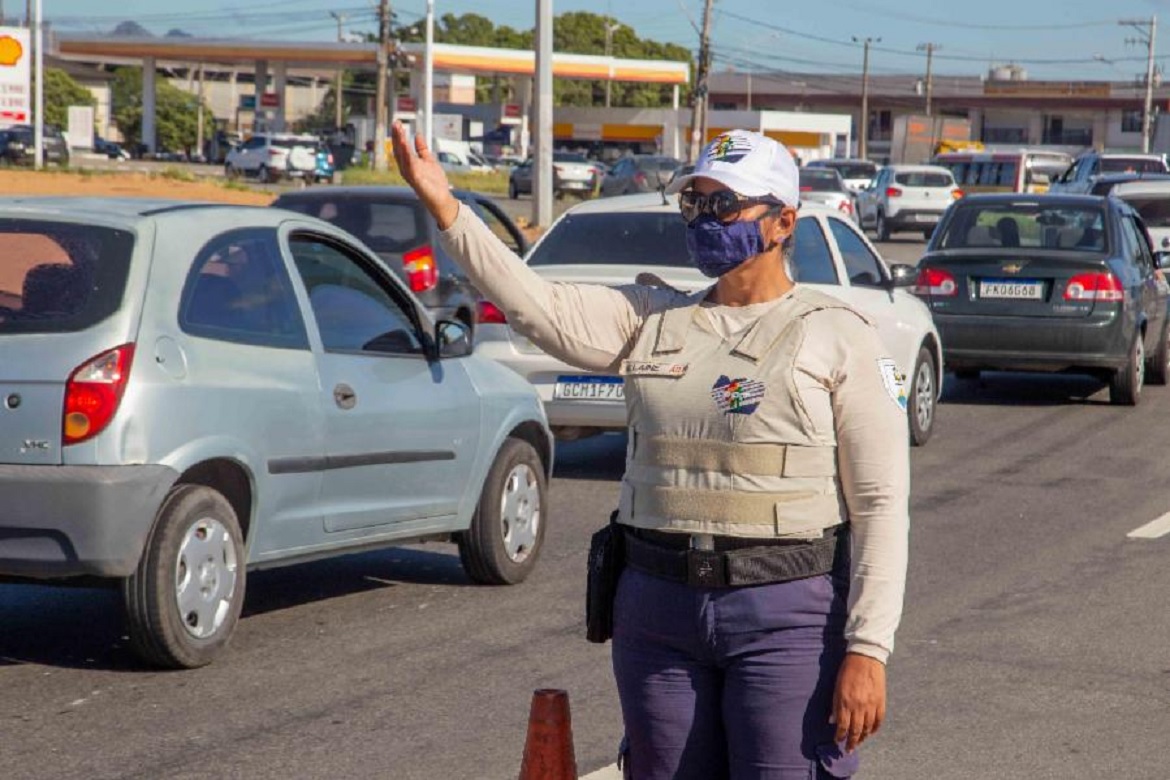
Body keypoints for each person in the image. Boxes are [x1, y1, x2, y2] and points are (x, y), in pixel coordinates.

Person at [390, 122, 909, 780]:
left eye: (725, 204)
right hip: (658, 610)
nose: (704, 219)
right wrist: (447, 207)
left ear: (783, 222)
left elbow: (882, 504)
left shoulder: (838, 336)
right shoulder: (653, 320)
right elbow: (536, 307)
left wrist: (868, 648)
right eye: (695, 203)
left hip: (785, 613)